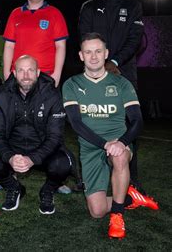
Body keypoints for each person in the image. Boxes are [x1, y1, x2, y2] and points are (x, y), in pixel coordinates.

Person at [62, 32, 158, 239]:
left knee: (120, 156)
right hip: (90, 147)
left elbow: (137, 121)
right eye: (88, 52)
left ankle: (117, 215)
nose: (93, 56)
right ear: (81, 55)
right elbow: (76, 124)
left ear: (106, 53)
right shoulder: (72, 84)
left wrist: (121, 142)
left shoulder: (121, 84)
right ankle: (130, 197)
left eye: (98, 51)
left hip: (118, 143)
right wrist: (105, 144)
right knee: (96, 212)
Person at [78, 0, 145, 193]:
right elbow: (85, 37)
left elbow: (135, 38)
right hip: (93, 72)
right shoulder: (88, 6)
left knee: (129, 127)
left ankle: (131, 182)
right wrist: (98, 61)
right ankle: (92, 178)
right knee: (91, 123)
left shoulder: (133, 5)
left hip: (123, 71)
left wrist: (114, 62)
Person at [0, 55, 72, 214]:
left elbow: (55, 136)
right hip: (13, 148)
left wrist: (32, 159)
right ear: (14, 73)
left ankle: (48, 190)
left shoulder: (51, 94)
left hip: (42, 147)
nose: (26, 75)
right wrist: (9, 156)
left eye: (30, 70)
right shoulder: (1, 94)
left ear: (38, 72)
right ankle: (13, 187)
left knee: (62, 164)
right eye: (21, 71)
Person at [2, 0, 68, 87]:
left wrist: (57, 74)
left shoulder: (55, 13)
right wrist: (6, 73)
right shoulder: (15, 13)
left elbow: (60, 46)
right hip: (19, 75)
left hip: (45, 75)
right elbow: (9, 46)